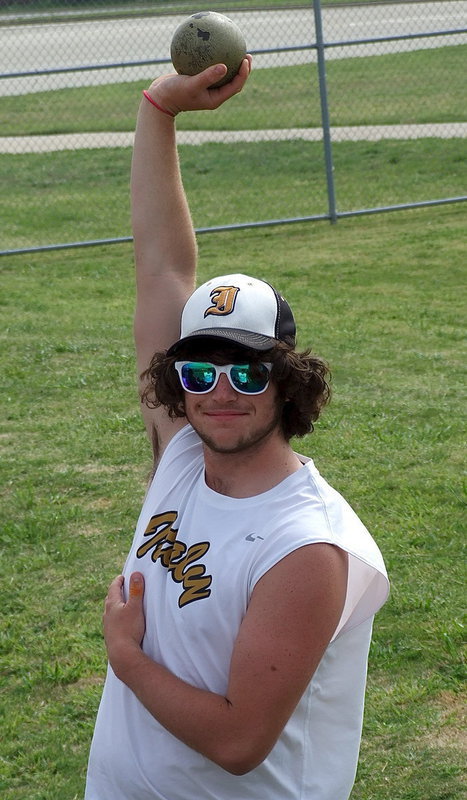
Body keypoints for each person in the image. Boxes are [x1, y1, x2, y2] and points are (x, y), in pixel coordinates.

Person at [85, 57, 389, 800]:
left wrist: (126, 660)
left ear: (289, 382)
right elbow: (161, 270)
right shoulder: (180, 457)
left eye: (248, 371)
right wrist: (159, 109)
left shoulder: (305, 546)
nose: (219, 392)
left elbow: (237, 740)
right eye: (197, 372)